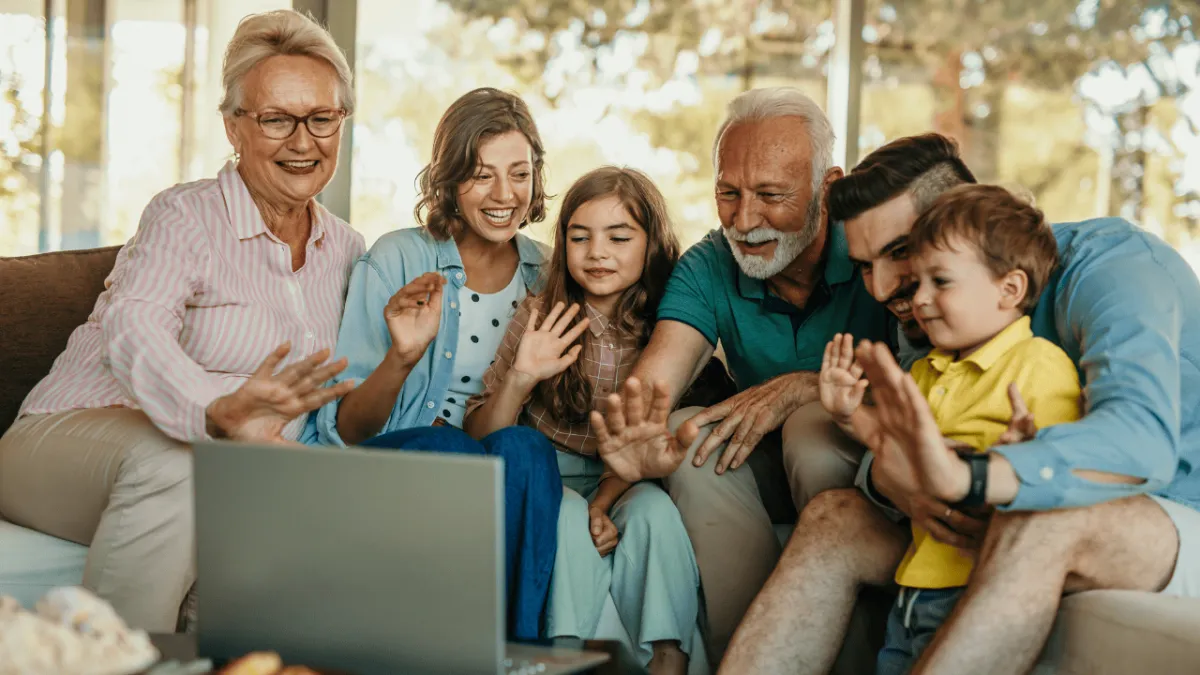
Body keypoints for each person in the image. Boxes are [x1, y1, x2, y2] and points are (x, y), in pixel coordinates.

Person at [712, 132, 1200, 675]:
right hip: (986, 515)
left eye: (900, 252)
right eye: (866, 266)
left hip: (1172, 512)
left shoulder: (1112, 268)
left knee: (1041, 518)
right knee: (835, 516)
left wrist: (973, 476)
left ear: (959, 220)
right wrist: (909, 481)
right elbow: (911, 428)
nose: (883, 289)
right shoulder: (929, 306)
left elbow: (1143, 441)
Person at [0, 9, 364, 632]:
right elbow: (134, 328)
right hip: (61, 442)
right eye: (276, 119)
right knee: (187, 464)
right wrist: (217, 413)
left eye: (321, 118)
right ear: (234, 127)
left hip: (232, 470)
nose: (303, 141)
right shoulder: (185, 215)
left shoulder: (350, 251)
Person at [587, 87, 892, 662]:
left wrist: (806, 389)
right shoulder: (709, 263)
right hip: (761, 467)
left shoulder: (874, 246)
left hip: (864, 458)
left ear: (828, 187)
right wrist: (638, 437)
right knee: (691, 431)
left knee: (812, 429)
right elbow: (657, 383)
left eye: (772, 195)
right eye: (729, 193)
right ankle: (748, 656)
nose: (745, 220)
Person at [313, 87, 561, 641]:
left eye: (519, 174)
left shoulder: (545, 275)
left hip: (490, 453)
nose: (505, 194)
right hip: (400, 460)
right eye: (481, 174)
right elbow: (348, 431)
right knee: (449, 449)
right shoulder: (399, 258)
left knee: (524, 448)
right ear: (449, 180)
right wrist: (402, 356)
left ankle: (513, 652)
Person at [821, 184, 1082, 674]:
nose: (917, 299)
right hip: (914, 586)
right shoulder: (926, 370)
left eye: (940, 282)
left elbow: (1060, 480)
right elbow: (895, 449)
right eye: (916, 282)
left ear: (1011, 289)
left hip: (980, 589)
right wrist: (847, 413)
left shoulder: (1040, 368)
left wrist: (1021, 455)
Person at [464, 167, 699, 674]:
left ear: (651, 244)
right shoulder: (539, 314)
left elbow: (654, 438)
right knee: (567, 515)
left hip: (629, 479)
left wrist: (606, 504)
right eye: (580, 237)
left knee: (656, 514)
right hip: (552, 472)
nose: (597, 252)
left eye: (619, 237)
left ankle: (669, 657)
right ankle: (562, 652)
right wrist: (522, 376)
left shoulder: (671, 325)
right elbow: (485, 436)